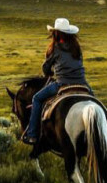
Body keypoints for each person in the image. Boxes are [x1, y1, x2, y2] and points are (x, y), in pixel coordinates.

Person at [21, 17, 92, 145]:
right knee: (93, 101)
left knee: (36, 99)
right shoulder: (76, 47)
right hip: (82, 84)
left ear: (56, 33)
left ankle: (32, 134)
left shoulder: (55, 48)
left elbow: (45, 68)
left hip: (62, 84)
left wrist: (49, 73)